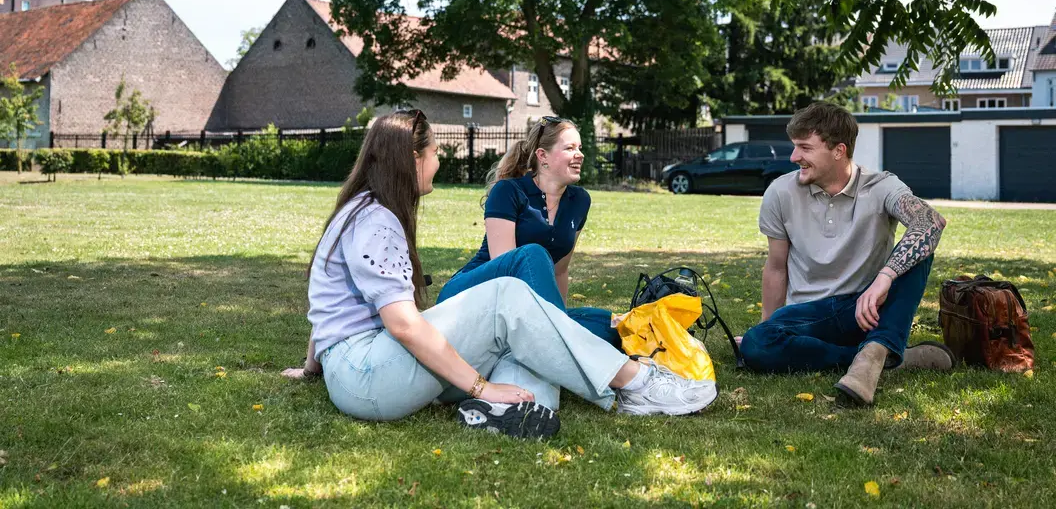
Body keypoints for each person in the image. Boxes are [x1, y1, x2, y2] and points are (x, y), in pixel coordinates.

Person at [283, 110, 717, 438]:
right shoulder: (376, 221)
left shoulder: (360, 210)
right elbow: (403, 326)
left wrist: (311, 369)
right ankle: (635, 383)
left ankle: (515, 410)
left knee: (521, 336)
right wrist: (479, 386)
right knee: (510, 295)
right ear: (413, 159)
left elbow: (327, 309)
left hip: (363, 372)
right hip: (369, 377)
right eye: (434, 152)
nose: (439, 160)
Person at [738, 102, 955, 405]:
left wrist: (884, 278)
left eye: (805, 148)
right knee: (756, 344)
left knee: (920, 247)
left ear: (839, 150)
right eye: (795, 146)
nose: (794, 157)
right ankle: (879, 357)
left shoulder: (881, 186)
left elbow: (931, 221)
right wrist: (767, 328)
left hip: (868, 310)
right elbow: (776, 267)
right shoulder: (780, 192)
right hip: (809, 318)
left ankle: (876, 349)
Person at [436, 116, 619, 349]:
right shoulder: (509, 191)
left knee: (612, 324)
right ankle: (558, 337)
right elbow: (506, 271)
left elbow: (560, 270)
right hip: (472, 294)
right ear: (543, 156)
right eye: (570, 148)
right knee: (531, 255)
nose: (580, 154)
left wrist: (560, 315)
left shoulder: (580, 200)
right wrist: (558, 323)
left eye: (580, 148)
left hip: (532, 309)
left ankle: (557, 335)